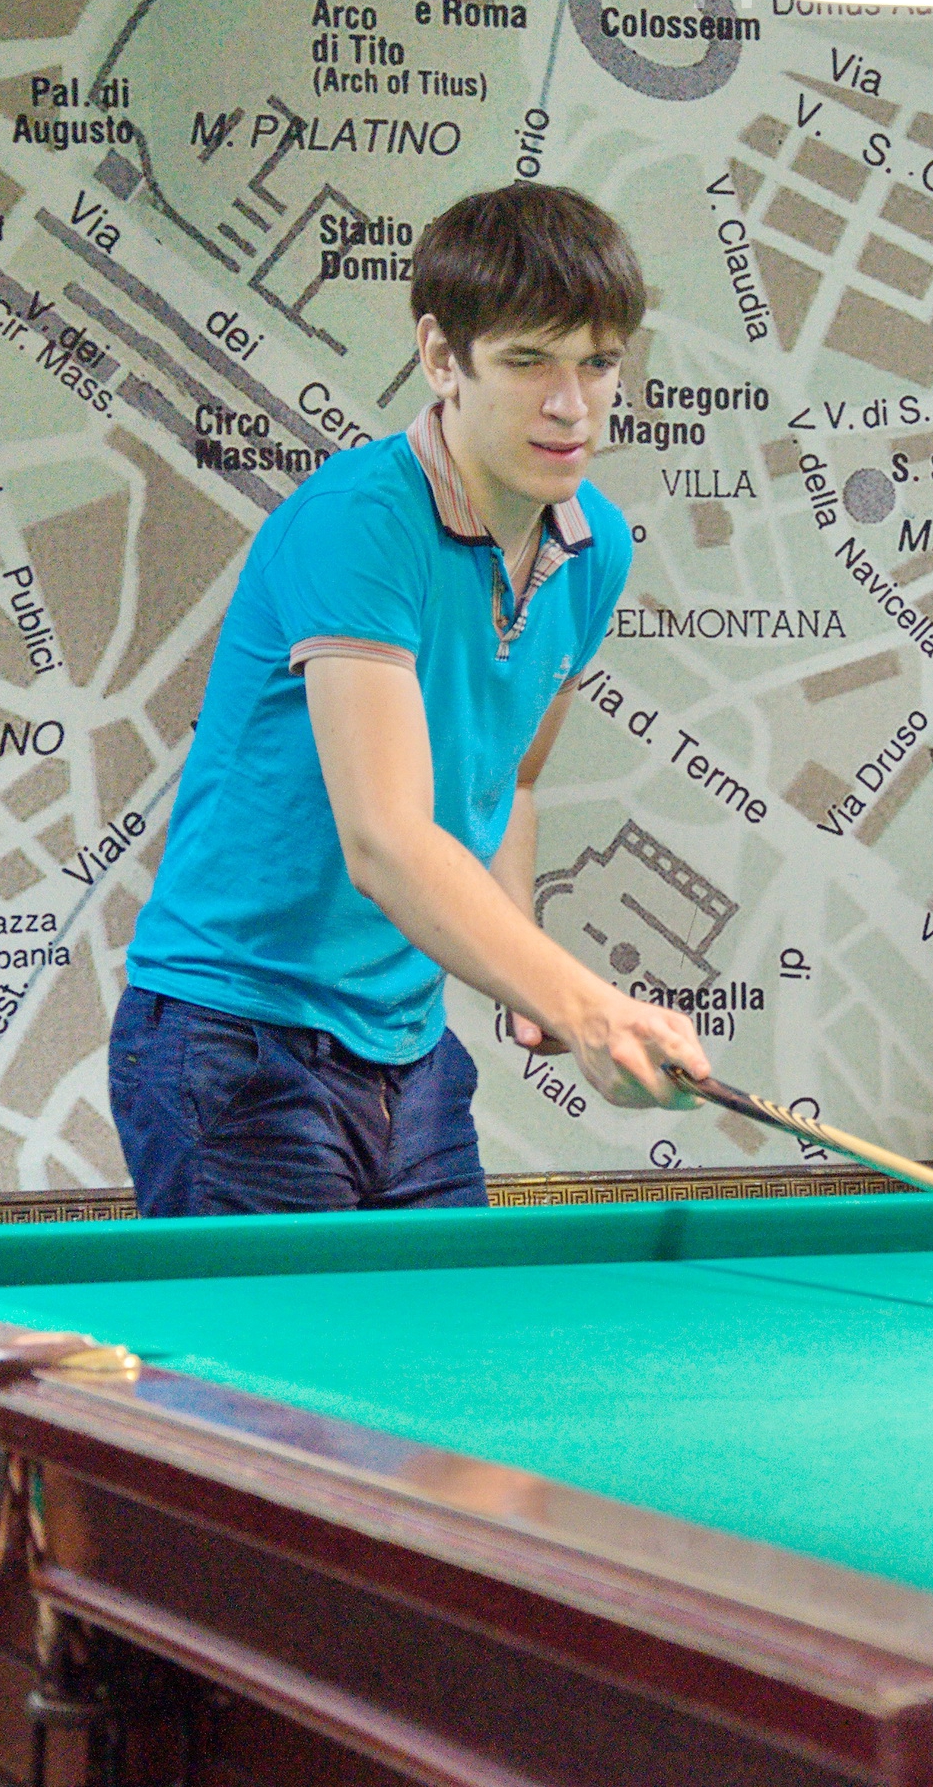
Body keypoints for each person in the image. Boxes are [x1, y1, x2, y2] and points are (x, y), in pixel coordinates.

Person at [110, 184, 708, 1216]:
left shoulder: (594, 543)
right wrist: (585, 1005)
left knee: (452, 1324)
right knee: (298, 1341)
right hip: (235, 1039)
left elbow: (513, 778)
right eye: (529, 361)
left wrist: (524, 973)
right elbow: (385, 840)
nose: (571, 404)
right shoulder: (359, 522)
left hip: (409, 1046)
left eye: (598, 362)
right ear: (441, 357)